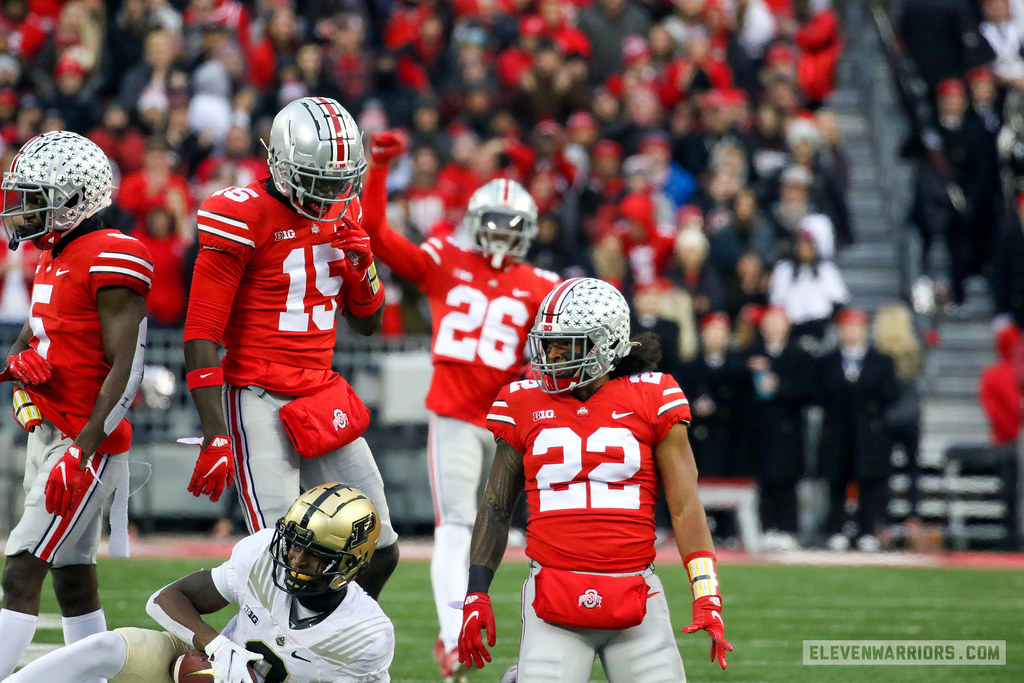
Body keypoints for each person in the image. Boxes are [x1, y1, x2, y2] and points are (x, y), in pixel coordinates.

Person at [358, 131, 561, 680]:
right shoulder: (446, 257)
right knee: (456, 527)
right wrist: (378, 168)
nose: (500, 232)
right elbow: (373, 233)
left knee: (536, 530)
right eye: (493, 220)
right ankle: (452, 638)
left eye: (512, 224)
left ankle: (555, 636)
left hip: (516, 424)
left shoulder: (544, 284)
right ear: (474, 219)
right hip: (454, 413)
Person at [457, 277, 733, 681]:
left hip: (636, 595)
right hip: (552, 595)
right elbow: (497, 505)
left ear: (605, 346)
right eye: (547, 342)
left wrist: (707, 596)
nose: (550, 355)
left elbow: (685, 505)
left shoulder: (653, 396)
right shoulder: (522, 402)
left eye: (565, 344)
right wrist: (476, 593)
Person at [182, 97, 398, 599]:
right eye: (318, 179)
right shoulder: (240, 214)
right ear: (279, 161)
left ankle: (334, 645)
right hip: (258, 393)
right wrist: (215, 432)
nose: (329, 193)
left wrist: (364, 270)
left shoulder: (348, 207)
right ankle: (247, 652)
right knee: (279, 552)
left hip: (319, 393)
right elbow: (201, 333)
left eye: (338, 179)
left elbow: (368, 324)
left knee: (378, 546)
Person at [0, 131, 152, 679]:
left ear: (73, 198)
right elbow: (31, 340)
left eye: (36, 197)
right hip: (52, 433)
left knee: (21, 569)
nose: (23, 209)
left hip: (84, 439)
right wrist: (21, 382)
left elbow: (128, 366)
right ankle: (96, 676)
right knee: (72, 576)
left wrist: (84, 449)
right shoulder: (56, 254)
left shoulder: (112, 253)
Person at [5, 483, 395, 683]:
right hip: (206, 666)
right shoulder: (261, 556)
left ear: (349, 563)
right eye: (293, 545)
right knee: (106, 646)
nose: (294, 559)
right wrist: (217, 647)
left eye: (313, 555)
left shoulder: (365, 635)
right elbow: (165, 599)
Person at [816, 308, 900, 551]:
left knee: (869, 483)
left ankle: (867, 530)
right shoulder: (827, 361)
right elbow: (819, 393)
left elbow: (891, 393)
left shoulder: (881, 361)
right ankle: (836, 529)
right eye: (846, 327)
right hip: (837, 431)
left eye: (856, 327)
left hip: (868, 432)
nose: (851, 332)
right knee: (836, 483)